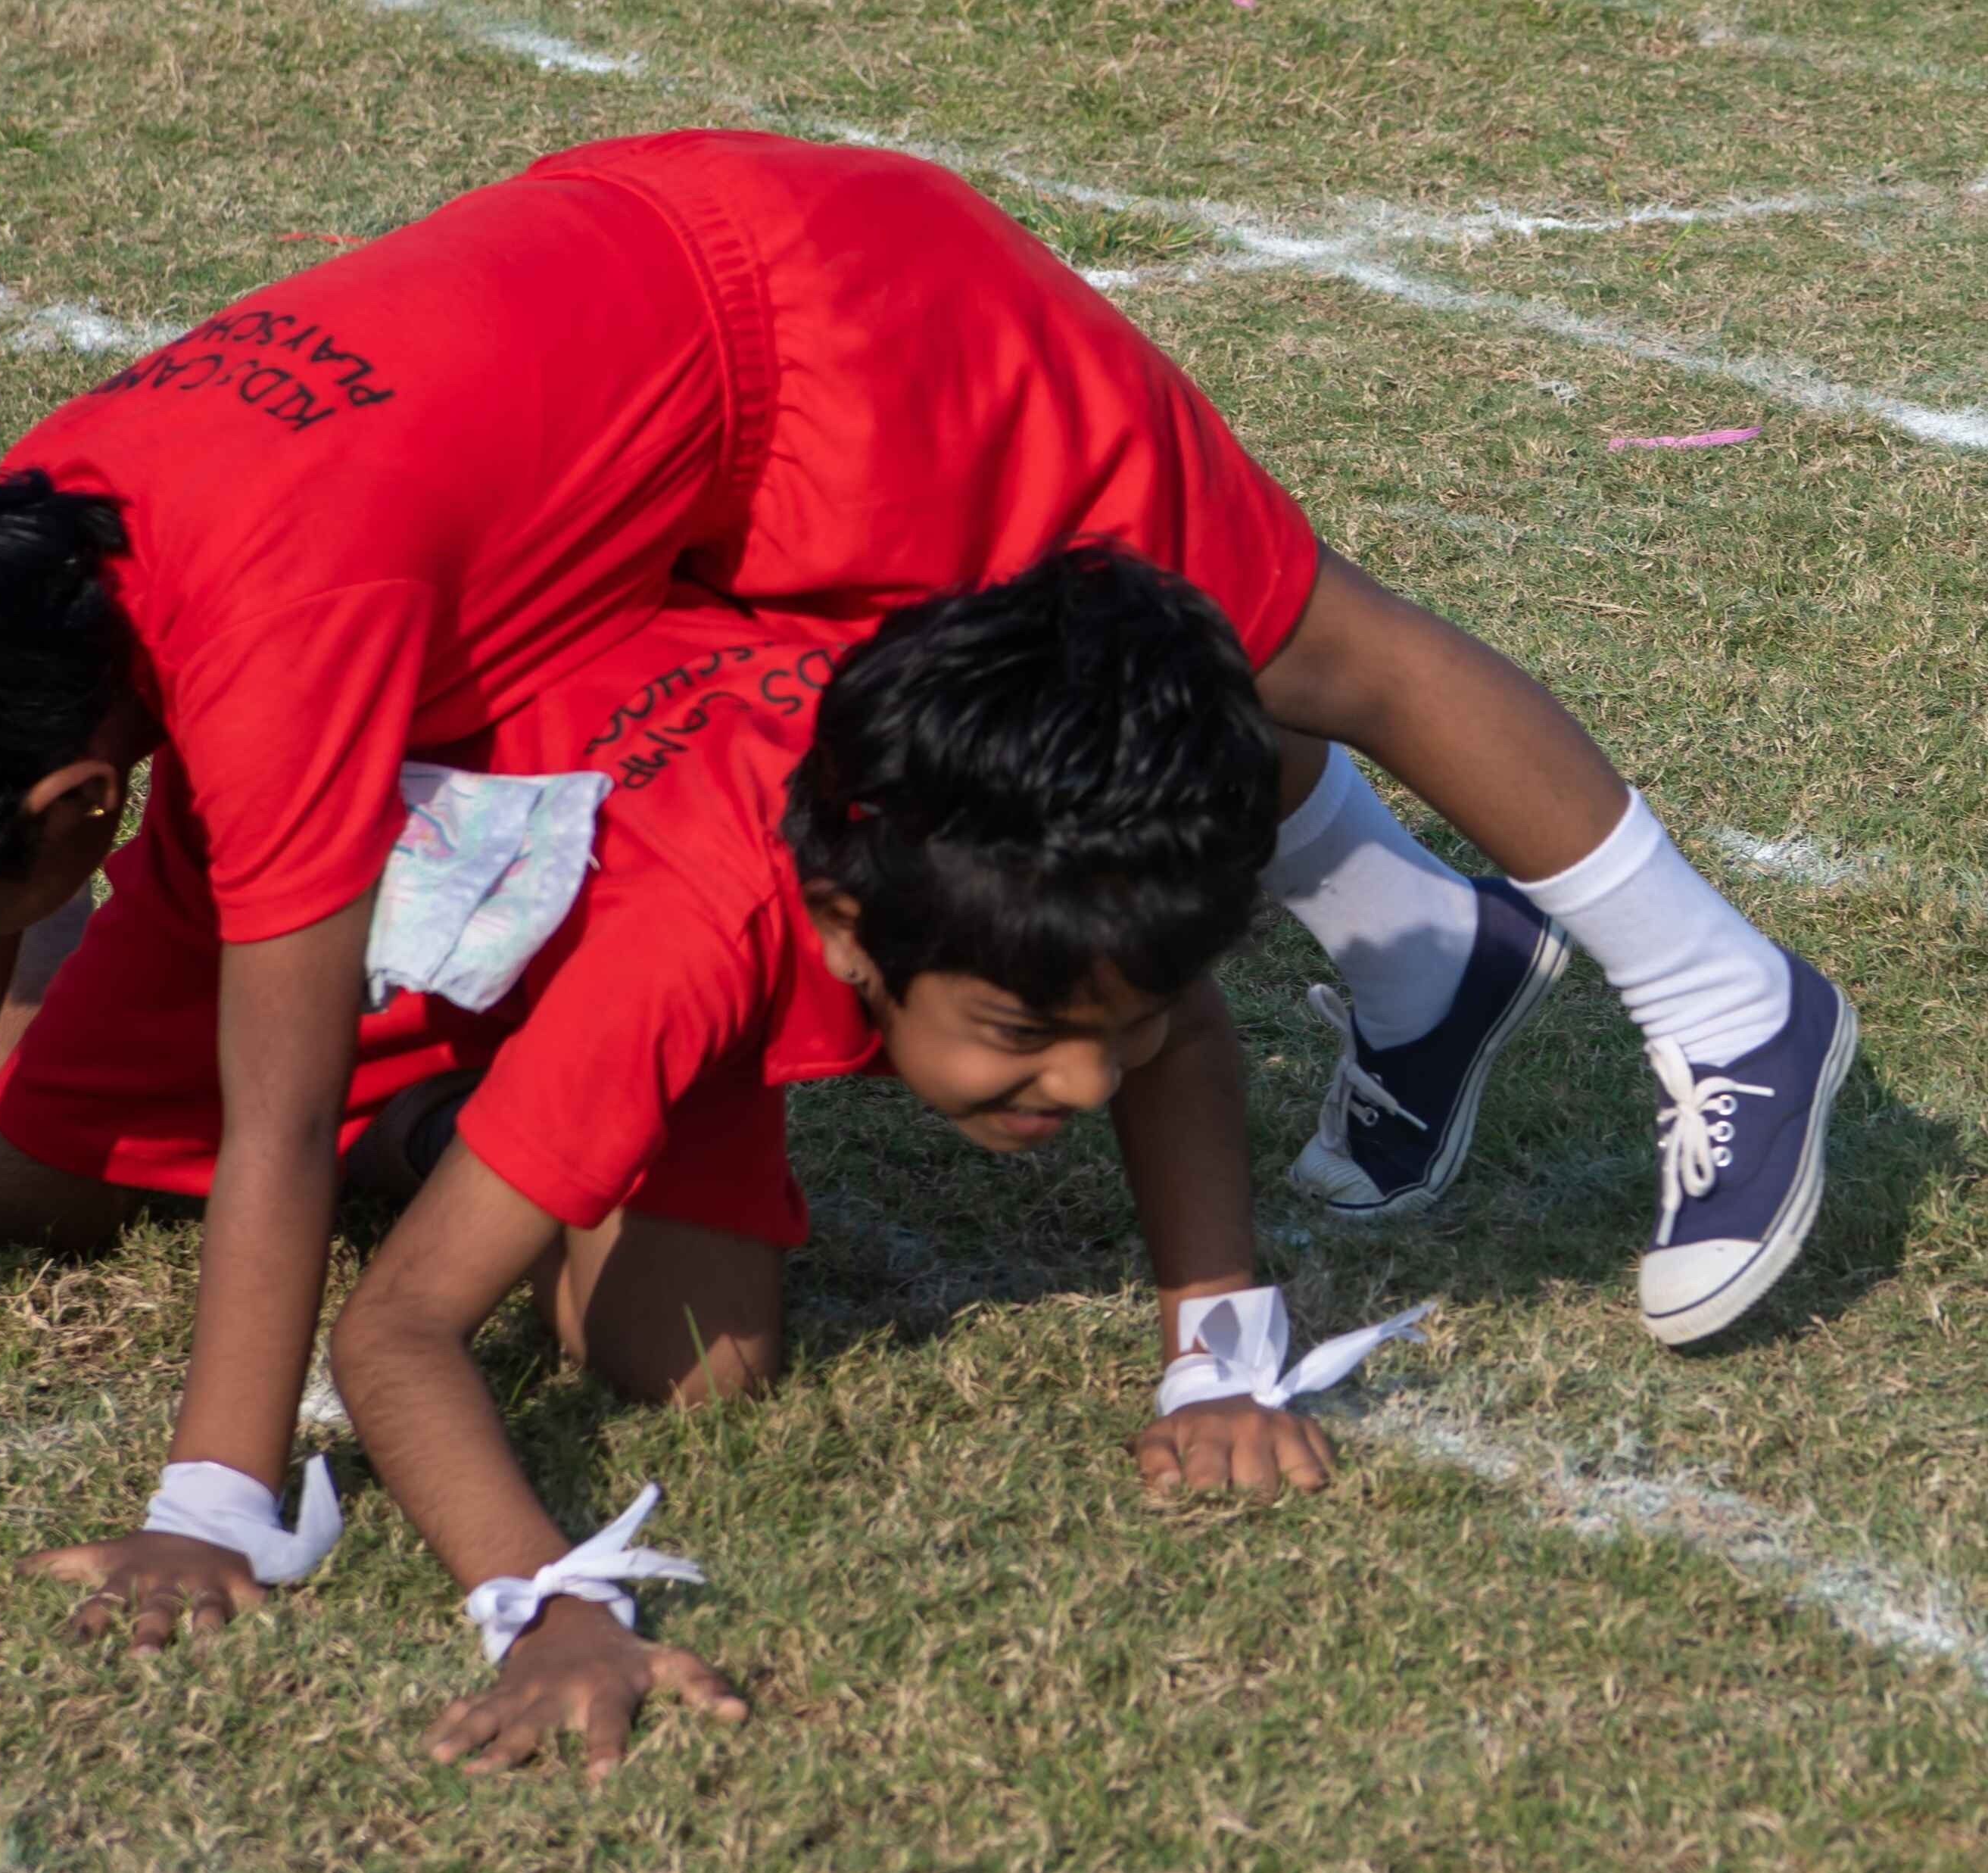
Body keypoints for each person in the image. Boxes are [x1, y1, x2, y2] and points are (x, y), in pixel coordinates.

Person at [0, 137, 1845, 1647]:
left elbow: (286, 1112)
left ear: (83, 793)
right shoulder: (3, 589)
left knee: (1290, 636)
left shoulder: (268, 631)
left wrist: (227, 1496)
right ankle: (1418, 940)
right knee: (1038, 774)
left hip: (830, 327)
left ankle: (1723, 994)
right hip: (681, 464)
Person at [319, 554, 1388, 1778]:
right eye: (1026, 1032)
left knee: (691, 1356)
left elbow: (1185, 1026)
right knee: (693, 1365)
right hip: (473, 930)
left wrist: (1216, 1362)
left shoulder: (1030, 851)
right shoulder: (687, 946)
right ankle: (440, 1122)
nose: (1092, 1084)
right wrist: (553, 1607)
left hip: (687, 880)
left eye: (1115, 1027)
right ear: (844, 932)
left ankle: (517, 1128)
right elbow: (395, 1327)